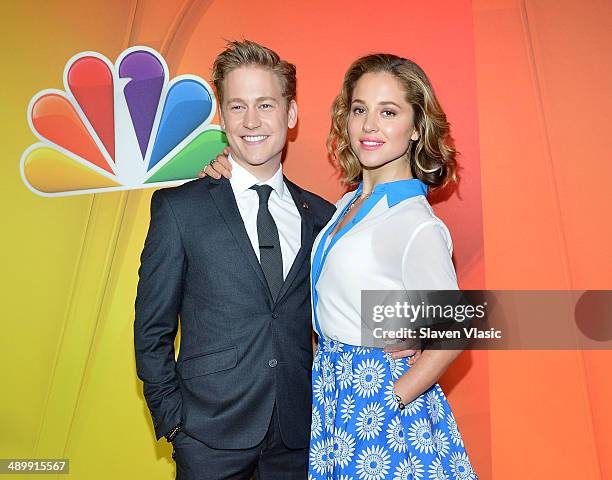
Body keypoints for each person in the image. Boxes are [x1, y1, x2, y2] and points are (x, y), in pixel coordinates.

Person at [204, 53, 477, 479]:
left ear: (416, 128)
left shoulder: (415, 222)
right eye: (359, 109)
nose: (370, 125)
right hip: (333, 392)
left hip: (375, 402)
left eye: (389, 112)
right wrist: (230, 170)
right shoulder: (346, 205)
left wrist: (395, 396)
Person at [134, 40, 337, 480]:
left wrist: (418, 332)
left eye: (265, 104)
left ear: (291, 114)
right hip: (207, 440)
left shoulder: (323, 217)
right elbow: (152, 328)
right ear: (222, 118)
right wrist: (174, 422)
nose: (251, 121)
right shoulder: (180, 209)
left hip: (297, 439)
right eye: (237, 106)